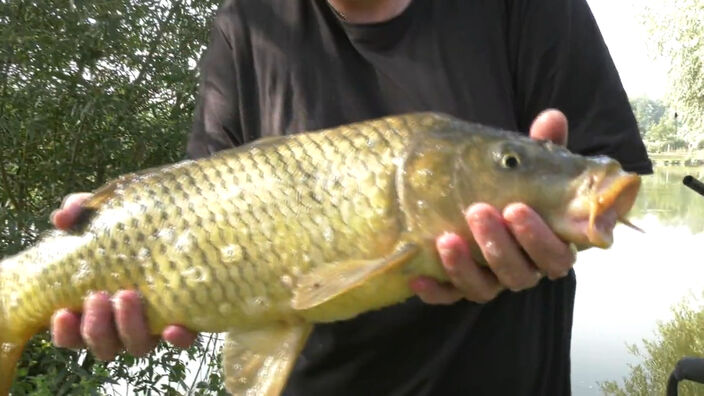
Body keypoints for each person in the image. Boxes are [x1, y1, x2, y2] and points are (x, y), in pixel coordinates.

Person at [50, 0, 652, 394]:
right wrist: (111, 238)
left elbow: (605, 171)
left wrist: (549, 212)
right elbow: (203, 207)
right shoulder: (248, 25)